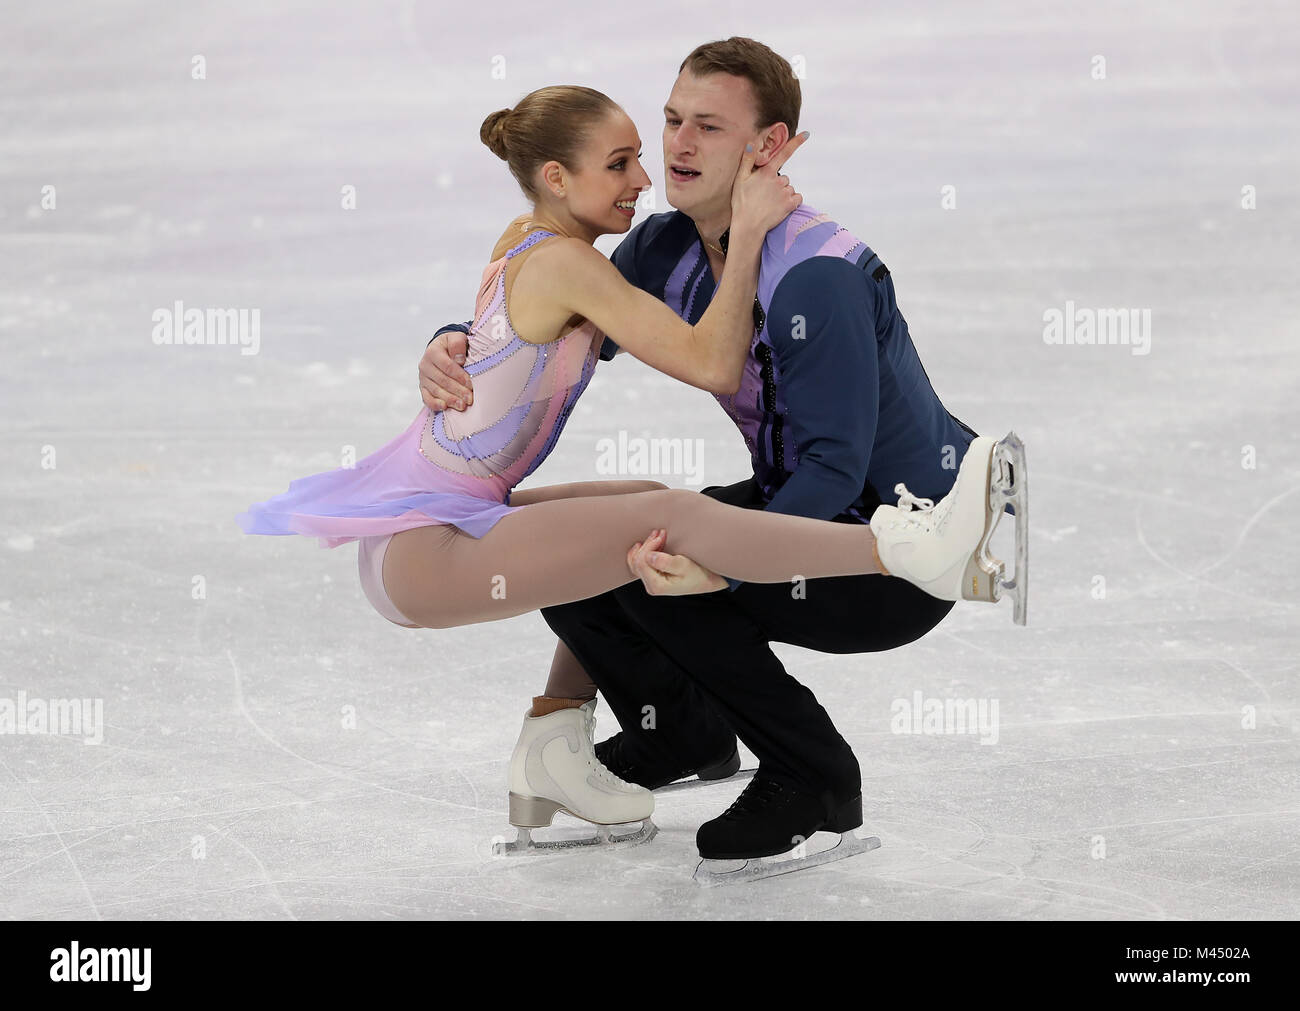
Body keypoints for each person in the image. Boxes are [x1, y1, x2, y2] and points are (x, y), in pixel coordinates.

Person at [417, 40, 1028, 871]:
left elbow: (836, 474)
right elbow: (541, 336)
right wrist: (452, 344)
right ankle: (678, 732)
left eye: (709, 126)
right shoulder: (666, 249)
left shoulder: (816, 278)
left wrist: (730, 572)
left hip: (894, 547)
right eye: (673, 120)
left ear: (767, 149)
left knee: (672, 571)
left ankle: (815, 777)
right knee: (591, 541)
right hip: (802, 501)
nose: (677, 146)